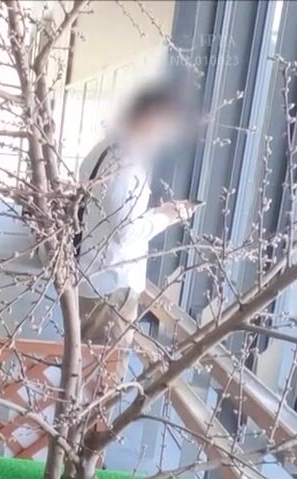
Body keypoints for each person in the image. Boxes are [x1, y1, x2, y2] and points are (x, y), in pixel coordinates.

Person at [76, 83, 198, 349]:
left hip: (91, 278)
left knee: (85, 362)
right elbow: (124, 232)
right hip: (111, 288)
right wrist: (167, 217)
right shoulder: (127, 166)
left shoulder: (102, 150)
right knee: (105, 368)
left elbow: (109, 217)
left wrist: (156, 213)